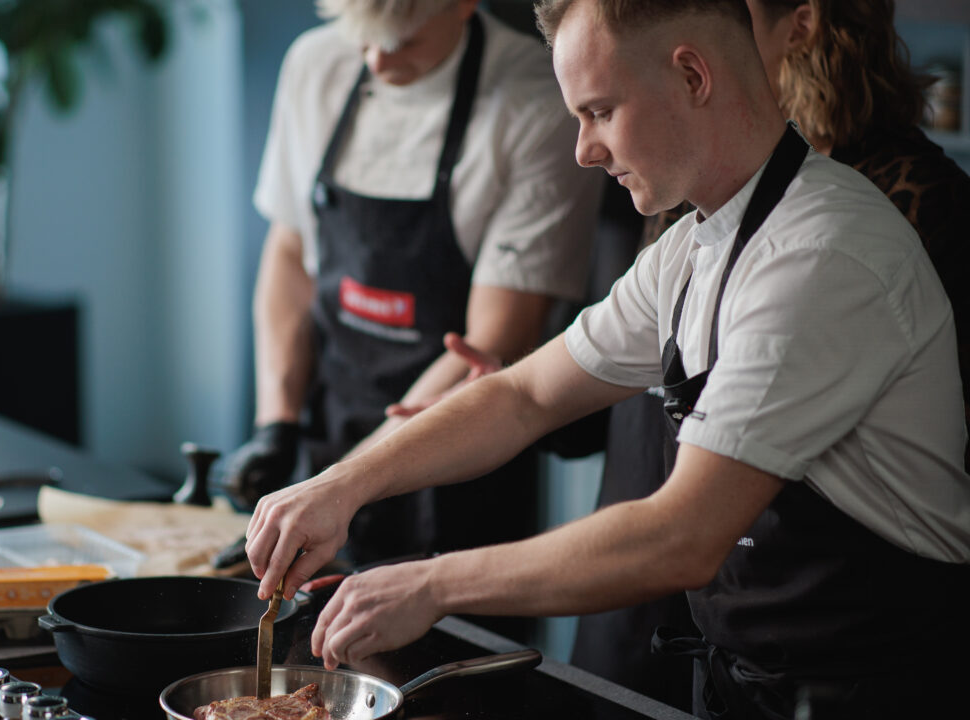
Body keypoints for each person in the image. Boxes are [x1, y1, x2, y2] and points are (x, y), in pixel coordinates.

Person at [244, 1, 970, 718]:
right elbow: (525, 396)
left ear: (692, 75)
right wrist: (340, 486)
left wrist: (431, 585)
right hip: (750, 685)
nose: (583, 151)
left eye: (599, 111)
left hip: (868, 693)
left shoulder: (819, 256)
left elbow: (683, 536)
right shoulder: (693, 247)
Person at [570, 0, 970, 708]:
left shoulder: (875, 216)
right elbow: (579, 375)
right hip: (677, 581)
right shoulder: (692, 180)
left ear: (804, 22)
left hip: (824, 633)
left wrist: (434, 584)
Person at [226, 0, 603, 566]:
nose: (376, 62)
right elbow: (290, 251)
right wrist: (276, 424)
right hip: (331, 423)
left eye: (402, 41)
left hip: (458, 461)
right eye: (361, 38)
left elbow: (493, 340)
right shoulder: (314, 64)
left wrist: (342, 485)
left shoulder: (534, 100)